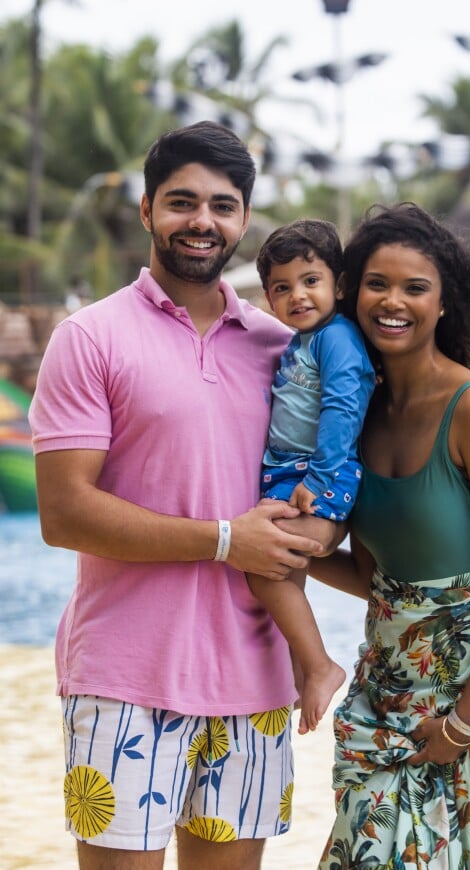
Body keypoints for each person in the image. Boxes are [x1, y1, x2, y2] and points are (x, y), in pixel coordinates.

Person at [28, 121, 326, 870]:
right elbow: (64, 513)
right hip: (125, 675)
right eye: (182, 202)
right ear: (146, 210)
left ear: (244, 220)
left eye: (222, 206)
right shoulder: (88, 338)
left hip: (253, 676)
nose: (202, 221)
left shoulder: (279, 348)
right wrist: (226, 540)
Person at [308, 202, 470, 869]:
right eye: (376, 283)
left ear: (443, 303)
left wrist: (463, 723)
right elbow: (373, 578)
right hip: (387, 695)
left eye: (414, 287)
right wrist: (290, 556)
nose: (393, 301)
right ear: (352, 293)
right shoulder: (356, 416)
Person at [247, 219, 376, 736]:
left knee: (265, 567)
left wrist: (321, 479)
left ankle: (321, 665)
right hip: (290, 469)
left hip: (318, 470)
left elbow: (344, 408)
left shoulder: (336, 338)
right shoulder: (304, 340)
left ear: (338, 285)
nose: (297, 295)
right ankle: (304, 672)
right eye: (282, 288)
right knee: (288, 575)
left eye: (310, 280)